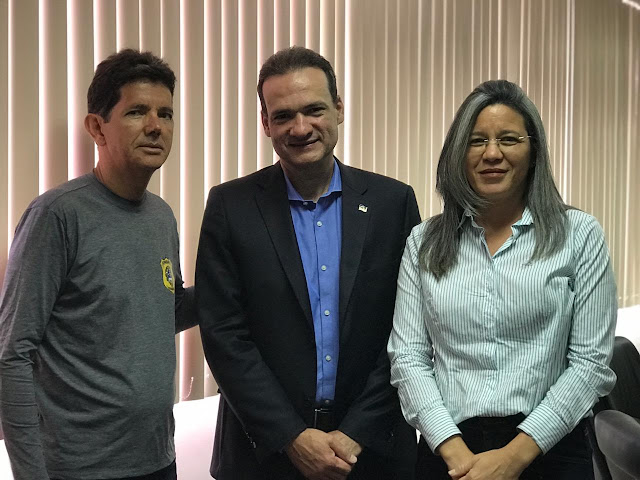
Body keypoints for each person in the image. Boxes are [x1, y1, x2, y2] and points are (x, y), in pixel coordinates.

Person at [196, 46, 420, 480]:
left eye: (314, 110)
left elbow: (409, 331)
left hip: (373, 453)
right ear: (265, 123)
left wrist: (356, 432)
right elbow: (223, 334)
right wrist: (290, 436)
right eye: (283, 116)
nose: (300, 128)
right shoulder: (230, 206)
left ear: (339, 109)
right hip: (263, 456)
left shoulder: (393, 204)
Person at [388, 79, 617, 480]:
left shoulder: (579, 235)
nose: (492, 153)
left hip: (551, 451)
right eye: (476, 141)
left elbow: (590, 364)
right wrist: (456, 452)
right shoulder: (424, 242)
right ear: (458, 153)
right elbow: (408, 358)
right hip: (449, 453)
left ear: (533, 151)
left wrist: (512, 459)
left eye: (509, 139)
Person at [0, 49, 195, 480]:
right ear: (96, 127)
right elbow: (13, 353)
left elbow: (163, 312)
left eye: (165, 114)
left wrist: (239, 281)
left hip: (157, 459)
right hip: (79, 468)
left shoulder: (162, 216)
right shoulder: (57, 215)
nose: (155, 126)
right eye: (137, 112)